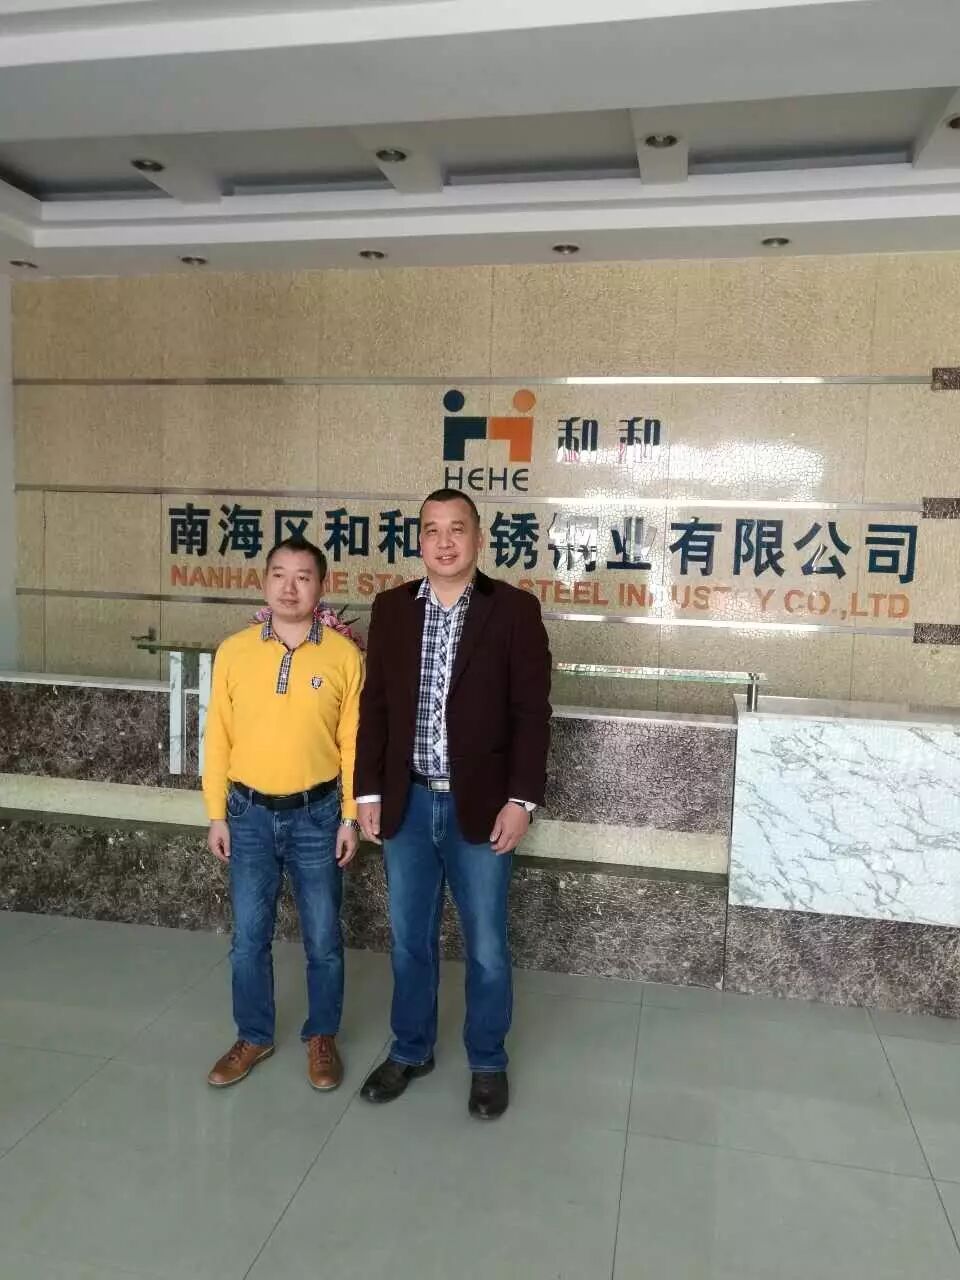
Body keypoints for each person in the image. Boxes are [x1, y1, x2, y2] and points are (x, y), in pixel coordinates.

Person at [355, 488, 551, 1120]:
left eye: (457, 529)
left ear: (478, 538)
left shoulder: (514, 610)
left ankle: (487, 1060)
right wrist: (367, 791)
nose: (444, 541)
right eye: (433, 530)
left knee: (486, 945)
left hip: (482, 807)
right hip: (408, 804)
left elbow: (531, 715)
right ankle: (410, 1049)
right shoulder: (391, 609)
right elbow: (375, 709)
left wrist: (521, 800)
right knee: (409, 940)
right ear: (419, 539)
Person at [202, 536, 363, 1091]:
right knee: (249, 937)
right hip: (247, 814)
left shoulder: (343, 656)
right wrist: (216, 813)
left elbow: (353, 743)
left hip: (318, 815)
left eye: (302, 577)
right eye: (279, 575)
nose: (289, 588)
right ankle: (253, 1035)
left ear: (321, 587)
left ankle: (322, 1036)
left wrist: (349, 817)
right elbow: (217, 738)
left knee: (323, 938)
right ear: (264, 581)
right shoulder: (234, 651)